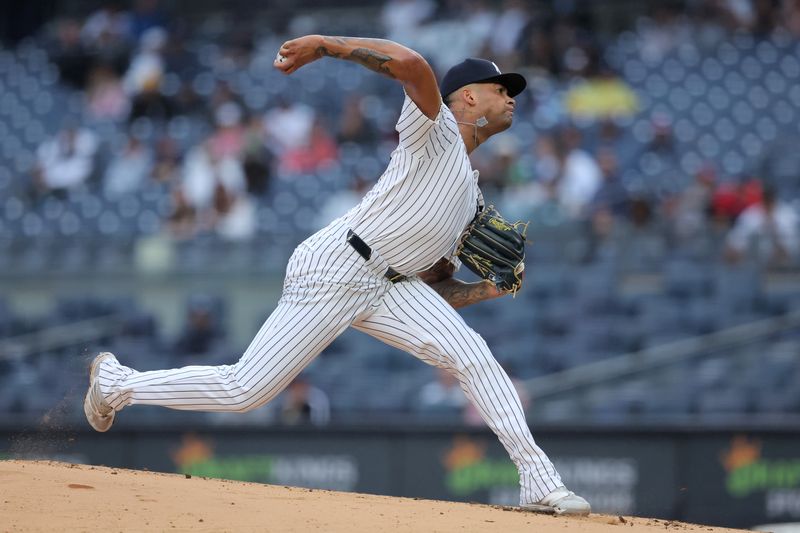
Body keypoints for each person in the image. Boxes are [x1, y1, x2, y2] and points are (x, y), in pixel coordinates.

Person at [84, 35, 590, 516]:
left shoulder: (471, 201)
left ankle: (539, 480)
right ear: (469, 98)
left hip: (390, 285)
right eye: (502, 90)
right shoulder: (434, 132)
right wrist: (326, 46)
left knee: (472, 354)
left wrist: (487, 288)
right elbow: (412, 64)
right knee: (246, 391)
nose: (511, 100)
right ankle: (117, 383)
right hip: (336, 266)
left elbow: (436, 290)